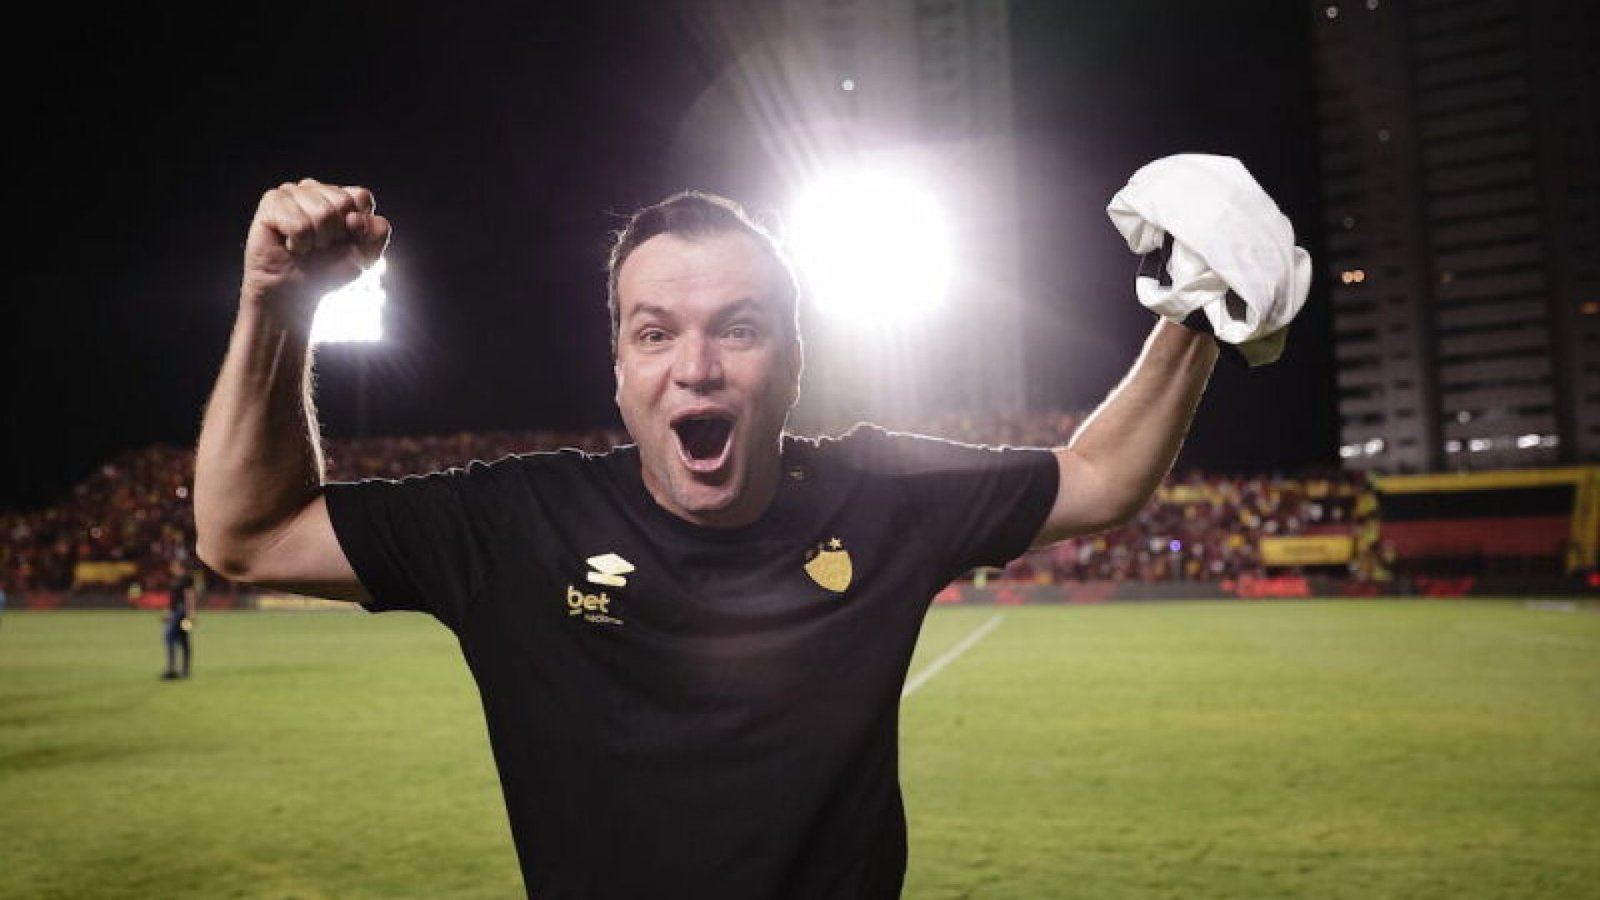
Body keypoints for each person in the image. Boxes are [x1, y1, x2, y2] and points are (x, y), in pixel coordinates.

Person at [194, 179, 1222, 898]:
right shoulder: (516, 523)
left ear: (790, 363)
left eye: (740, 326)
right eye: (655, 332)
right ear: (619, 370)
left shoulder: (882, 494)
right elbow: (251, 536)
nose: (697, 366)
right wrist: (281, 309)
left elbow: (1097, 477)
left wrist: (1198, 308)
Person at [161, 560, 196, 679]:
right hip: (175, 612)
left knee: (169, 636)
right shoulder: (177, 579)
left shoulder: (186, 578)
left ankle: (172, 669)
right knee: (183, 640)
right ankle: (184, 671)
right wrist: (169, 613)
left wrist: (191, 613)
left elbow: (190, 595)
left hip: (181, 612)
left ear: (179, 566)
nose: (172, 569)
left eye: (174, 566)